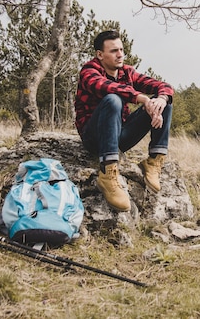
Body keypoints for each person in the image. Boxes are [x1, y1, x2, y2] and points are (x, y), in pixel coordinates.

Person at [74, 30, 174, 212]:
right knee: (113, 99)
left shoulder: (127, 72)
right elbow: (106, 88)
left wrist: (160, 100)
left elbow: (164, 86)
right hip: (94, 139)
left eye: (121, 49)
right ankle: (108, 173)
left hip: (120, 136)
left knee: (164, 103)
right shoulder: (89, 71)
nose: (120, 54)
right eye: (113, 51)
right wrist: (142, 98)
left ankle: (153, 162)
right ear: (100, 54)